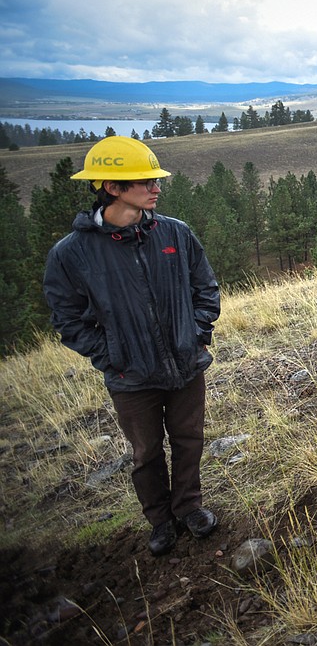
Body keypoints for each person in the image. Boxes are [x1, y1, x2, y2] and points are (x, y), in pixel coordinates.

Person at [43, 136, 221, 557]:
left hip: (185, 363)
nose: (157, 186)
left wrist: (195, 335)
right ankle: (160, 521)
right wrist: (111, 356)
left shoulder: (174, 232)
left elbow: (205, 288)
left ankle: (190, 507)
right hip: (130, 376)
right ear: (112, 187)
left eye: (157, 179)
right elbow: (66, 318)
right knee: (145, 453)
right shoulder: (72, 254)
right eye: (146, 180)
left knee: (189, 438)